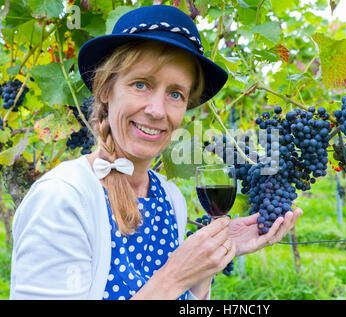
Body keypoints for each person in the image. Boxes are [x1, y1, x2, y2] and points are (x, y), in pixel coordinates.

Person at [9, 5, 302, 300]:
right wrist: (174, 276)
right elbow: (170, 284)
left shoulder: (171, 199)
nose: (157, 110)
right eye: (141, 84)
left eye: (176, 94)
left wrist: (208, 261)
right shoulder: (63, 199)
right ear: (106, 91)